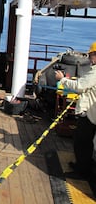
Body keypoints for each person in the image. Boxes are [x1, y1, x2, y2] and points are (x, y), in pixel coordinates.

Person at [55, 41, 96, 180]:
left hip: (89, 115)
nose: (89, 58)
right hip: (93, 114)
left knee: (81, 142)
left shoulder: (95, 72)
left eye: (90, 55)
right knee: (87, 142)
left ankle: (82, 171)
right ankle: (84, 165)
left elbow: (79, 86)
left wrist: (63, 80)